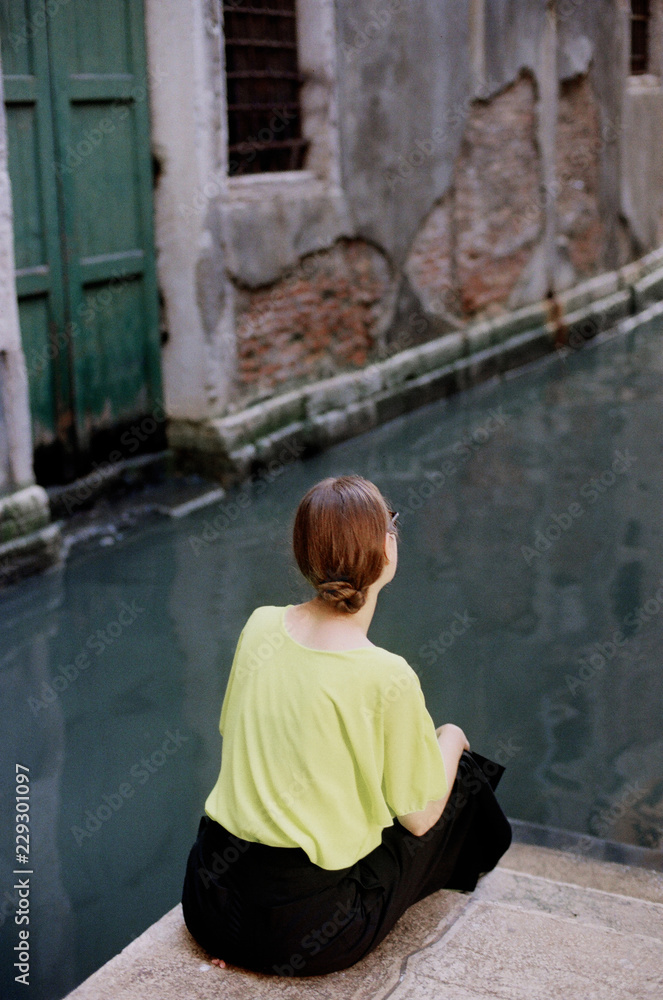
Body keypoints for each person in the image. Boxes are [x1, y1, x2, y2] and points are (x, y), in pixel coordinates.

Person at [181, 474, 512, 976]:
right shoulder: (387, 675)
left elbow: (239, 732)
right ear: (385, 550)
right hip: (307, 931)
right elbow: (419, 819)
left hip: (210, 901)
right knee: (457, 779)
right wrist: (452, 737)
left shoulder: (259, 626)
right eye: (391, 524)